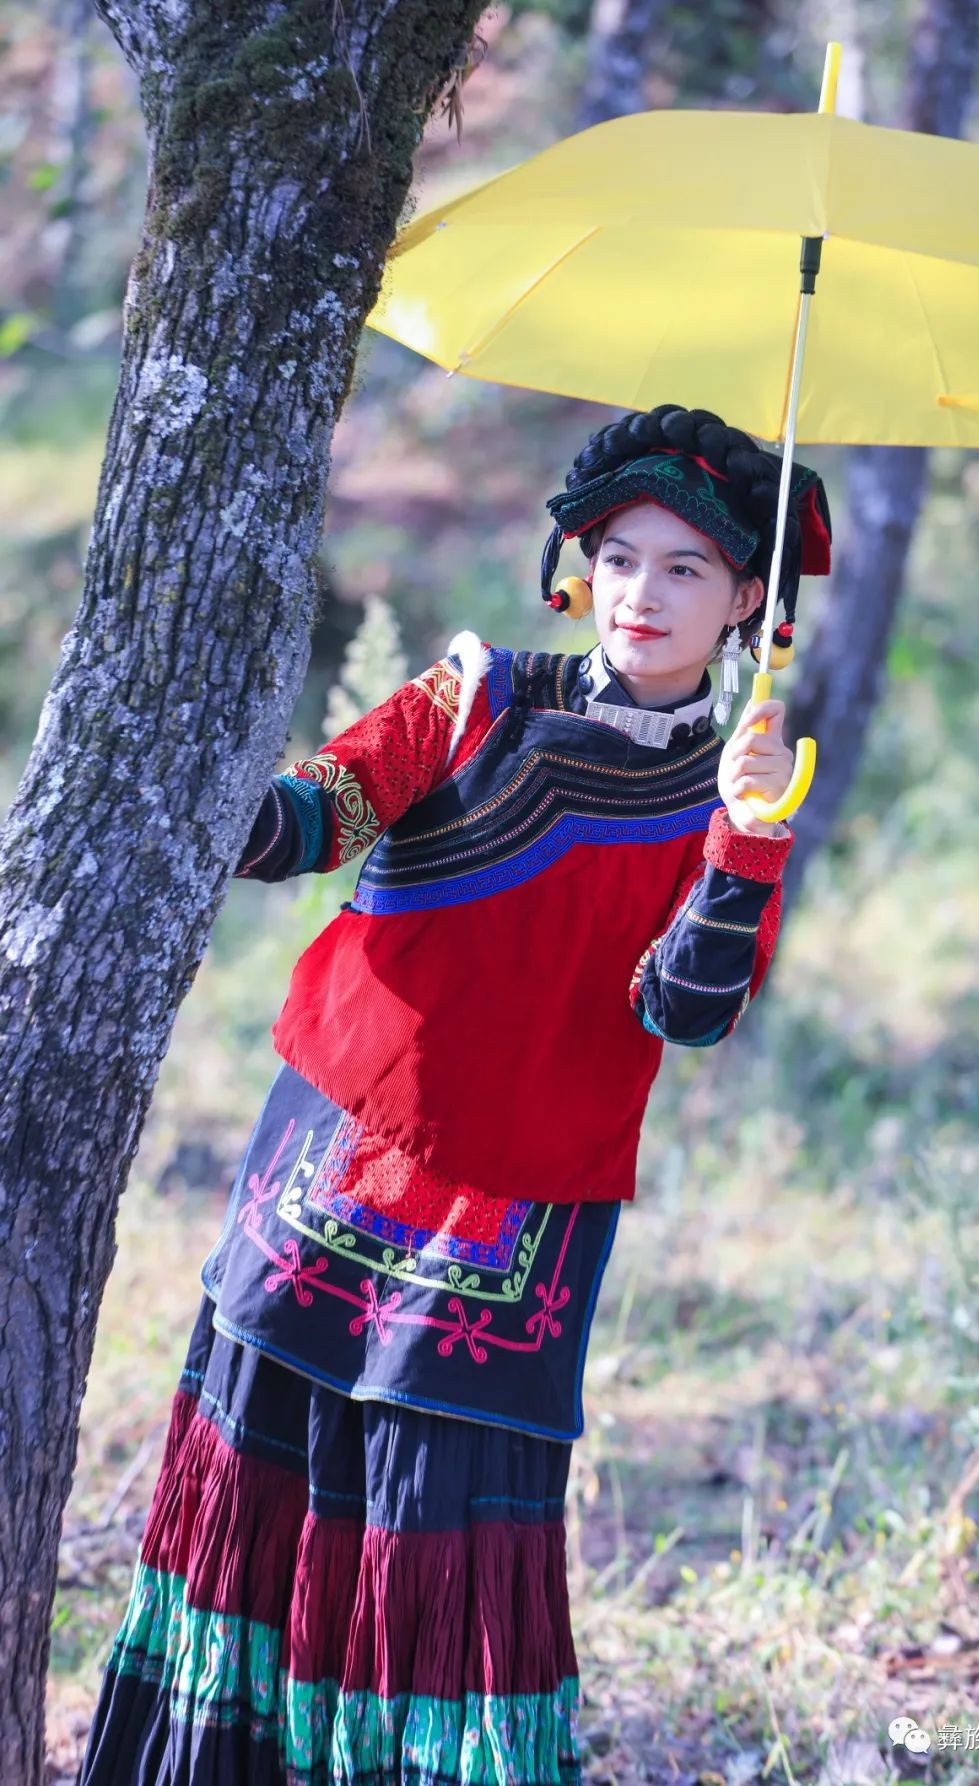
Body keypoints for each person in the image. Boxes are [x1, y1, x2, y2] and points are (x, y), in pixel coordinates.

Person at [78, 403, 830, 1785]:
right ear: (579, 566)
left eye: (686, 569)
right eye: (619, 557)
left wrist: (747, 837)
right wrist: (181, 760)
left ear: (745, 605)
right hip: (336, 1161)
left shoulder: (730, 801)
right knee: (264, 1486)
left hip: (518, 1223)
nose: (642, 592)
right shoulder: (477, 694)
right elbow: (319, 815)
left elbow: (688, 1010)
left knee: (445, 1544)